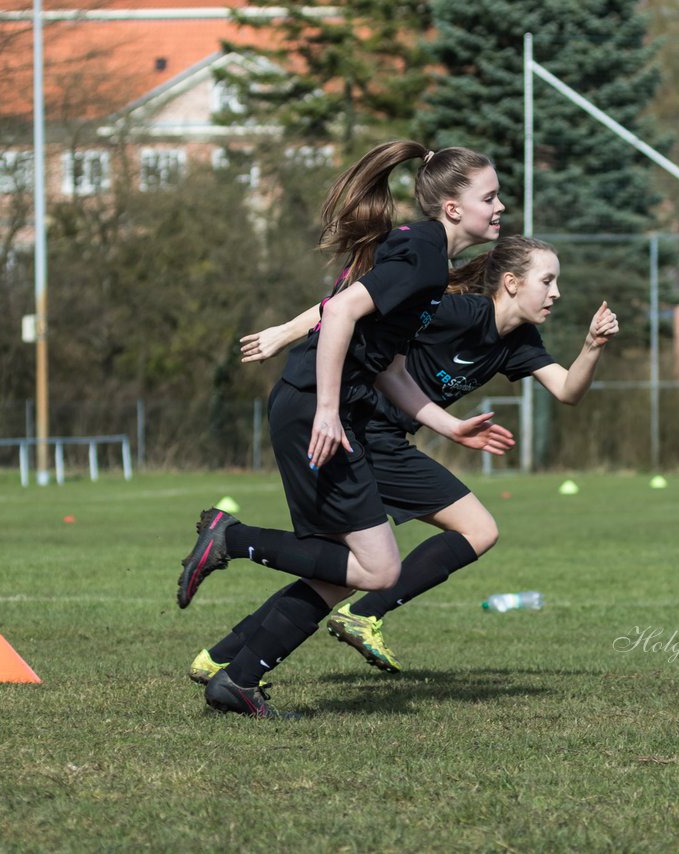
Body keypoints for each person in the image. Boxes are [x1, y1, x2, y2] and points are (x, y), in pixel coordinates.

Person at [189, 235, 618, 693]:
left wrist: (592, 345)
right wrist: (283, 333)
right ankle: (340, 607)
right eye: (548, 281)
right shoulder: (457, 311)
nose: (556, 293)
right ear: (511, 283)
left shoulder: (519, 340)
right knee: (438, 542)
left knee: (341, 571)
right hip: (363, 432)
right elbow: (350, 305)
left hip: (388, 441)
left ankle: (222, 657)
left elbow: (568, 391)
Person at [176, 140, 512, 717]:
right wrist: (329, 409)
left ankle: (237, 677)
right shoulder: (424, 253)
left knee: (342, 569)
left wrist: (450, 427)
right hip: (315, 408)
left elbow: (391, 369)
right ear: (453, 208)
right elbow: (338, 313)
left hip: (323, 407)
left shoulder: (430, 261)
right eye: (490, 196)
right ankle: (229, 539)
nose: (501, 206)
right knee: (379, 568)